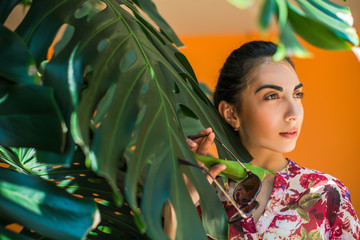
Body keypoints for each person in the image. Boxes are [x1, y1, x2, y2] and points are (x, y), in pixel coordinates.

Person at [184, 41, 360, 239]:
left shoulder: (326, 193)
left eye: (297, 94)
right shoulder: (198, 195)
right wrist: (179, 206)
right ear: (231, 113)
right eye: (272, 96)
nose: (293, 113)